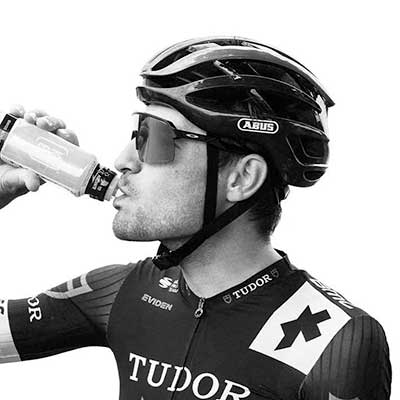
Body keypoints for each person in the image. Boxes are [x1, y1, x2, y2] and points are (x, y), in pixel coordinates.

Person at [0, 37, 391, 400]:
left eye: (153, 137)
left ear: (241, 178)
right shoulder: (121, 292)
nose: (123, 161)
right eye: (135, 134)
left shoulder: (338, 340)